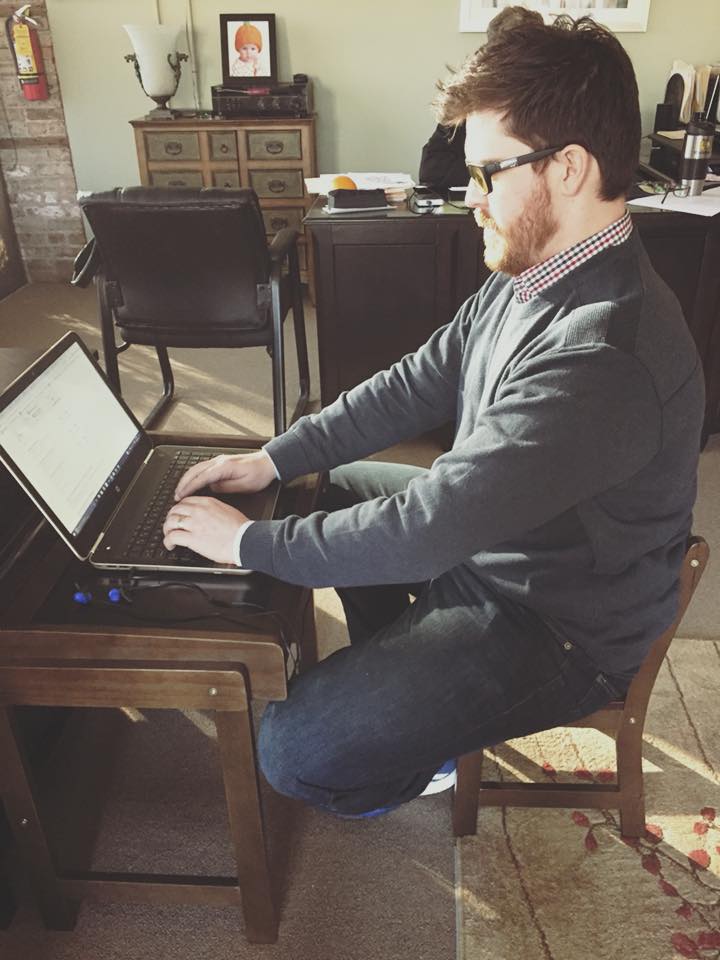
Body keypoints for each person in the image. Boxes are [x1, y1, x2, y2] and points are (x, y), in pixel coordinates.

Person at [163, 8, 704, 818]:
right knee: (331, 482)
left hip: (556, 621)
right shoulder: (536, 268)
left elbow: (431, 524)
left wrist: (247, 543)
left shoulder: (603, 355)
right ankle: (412, 678)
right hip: (499, 542)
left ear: (567, 168)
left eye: (489, 171)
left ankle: (428, 754)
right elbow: (421, 378)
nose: (471, 198)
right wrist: (277, 458)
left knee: (292, 749)